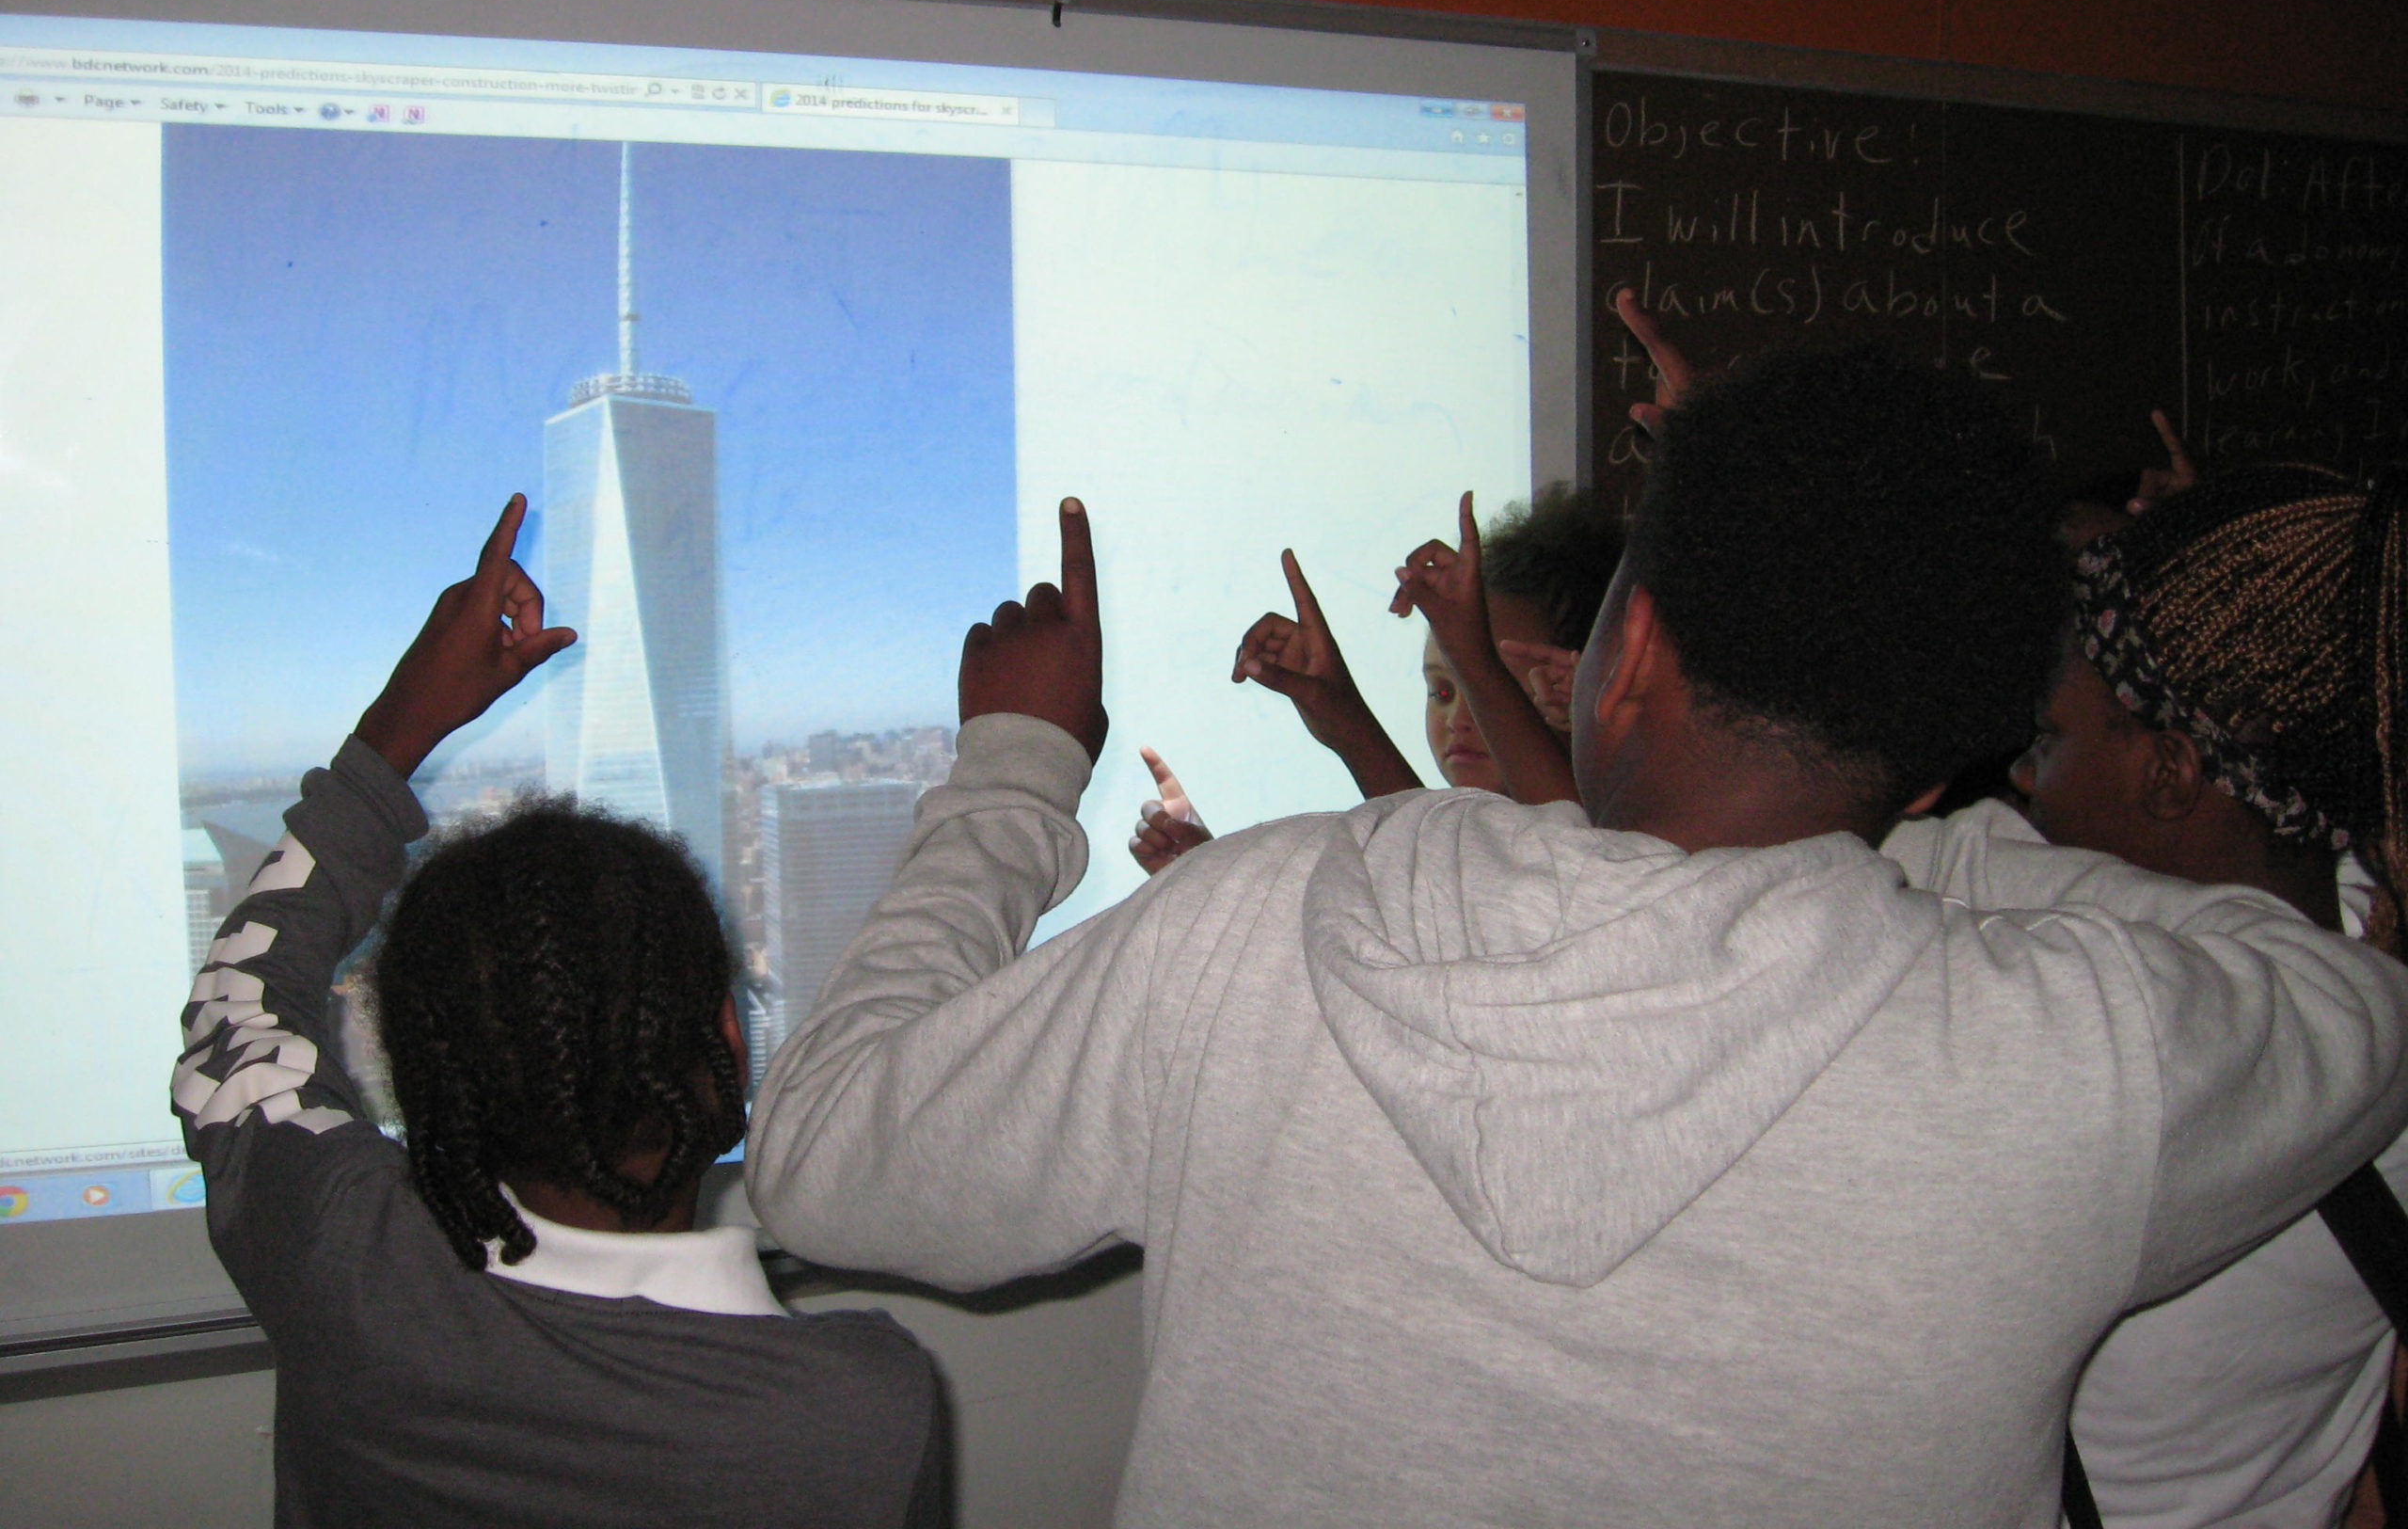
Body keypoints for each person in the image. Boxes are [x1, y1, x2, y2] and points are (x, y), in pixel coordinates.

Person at [749, 361, 2408, 1528]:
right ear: (1943, 758)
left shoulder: (1263, 927)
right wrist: (1922, 830)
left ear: (1624, 669)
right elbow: (2347, 990)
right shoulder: (2081, 1060)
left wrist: (1016, 767)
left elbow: (821, 1155)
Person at [175, 497, 940, 1529]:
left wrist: (395, 734)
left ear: (429, 1074)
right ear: (725, 1040)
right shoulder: (857, 1408)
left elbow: (240, 997)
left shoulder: (346, 1262)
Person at [1890, 461, 2408, 1529]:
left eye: (2054, 739)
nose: (2027, 778)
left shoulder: (2063, 1004)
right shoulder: (2379, 967)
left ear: (2169, 773)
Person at [1131, 488, 1619, 870]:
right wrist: (1205, 878)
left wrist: (1350, 724)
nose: (1458, 721)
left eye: (1490, 687)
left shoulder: (1628, 842)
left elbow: (1567, 860)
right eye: (1443, 692)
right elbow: (1436, 859)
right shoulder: (1467, 851)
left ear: (1580, 685)